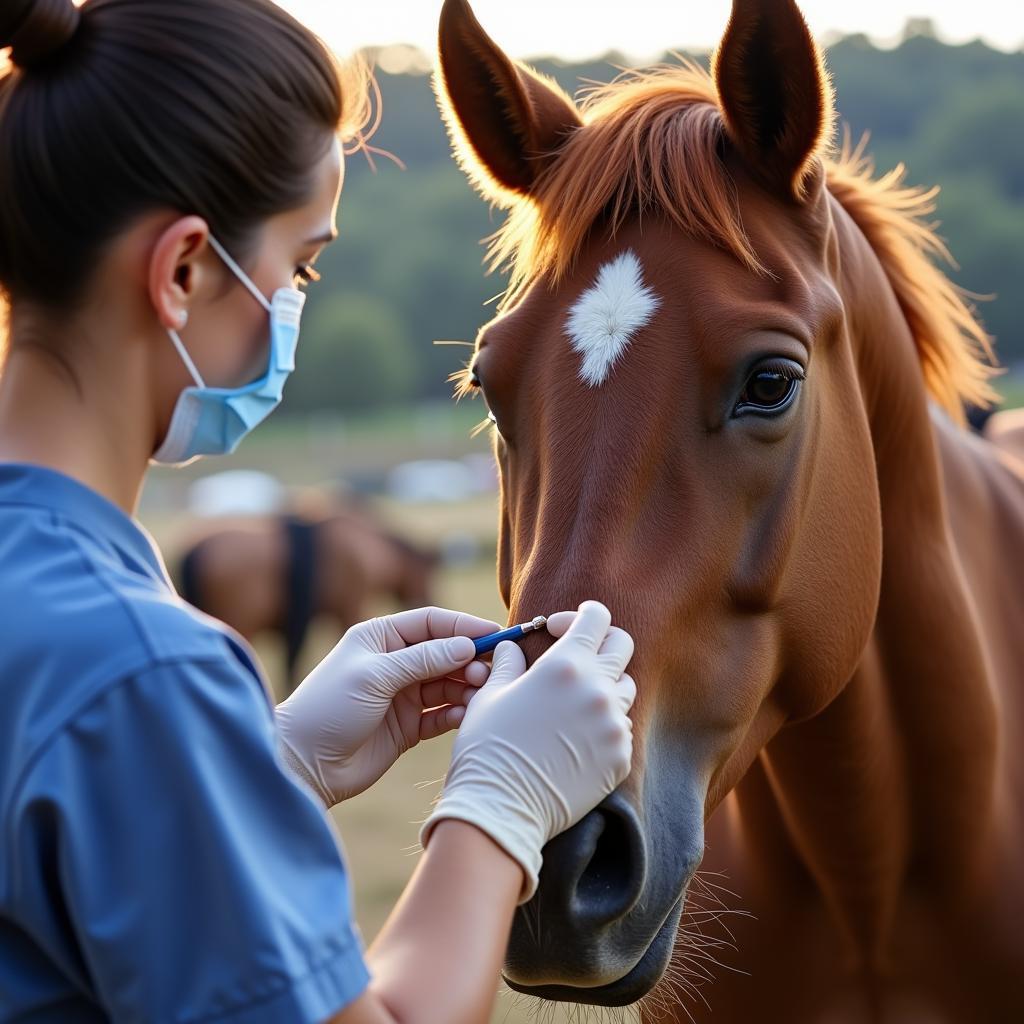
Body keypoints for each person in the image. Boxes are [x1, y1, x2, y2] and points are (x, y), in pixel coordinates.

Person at [0, 2, 636, 1023]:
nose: (300, 298)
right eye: (301, 265)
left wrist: (271, 765)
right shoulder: (135, 669)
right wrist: (497, 807)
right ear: (183, 270)